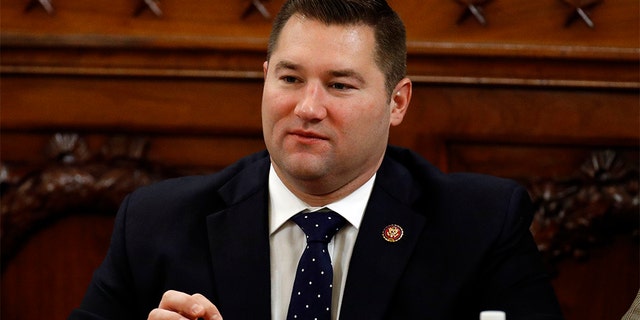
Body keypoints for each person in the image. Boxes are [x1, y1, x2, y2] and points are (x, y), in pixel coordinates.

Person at [69, 0, 563, 319]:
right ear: (264, 79)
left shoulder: (480, 226)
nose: (307, 108)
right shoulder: (155, 223)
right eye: (288, 79)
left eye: (340, 85)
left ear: (398, 102)